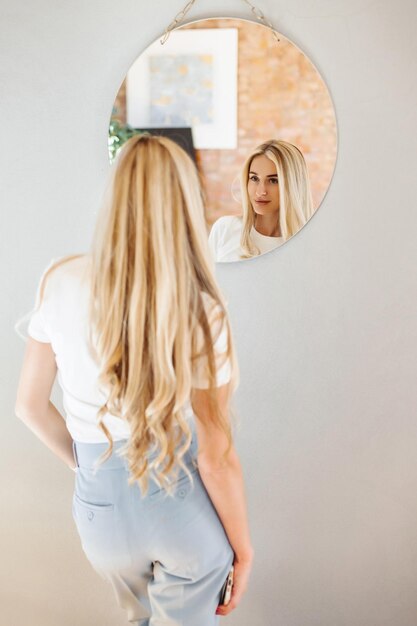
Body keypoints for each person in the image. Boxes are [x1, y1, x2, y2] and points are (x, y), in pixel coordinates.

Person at [15, 134, 254, 625]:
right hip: (177, 506)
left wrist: (89, 471)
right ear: (187, 201)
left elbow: (29, 407)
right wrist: (244, 549)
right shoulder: (203, 307)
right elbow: (216, 456)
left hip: (100, 517)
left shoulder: (60, 280)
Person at [208, 139, 314, 262]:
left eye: (273, 181)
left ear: (294, 185)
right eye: (254, 178)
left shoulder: (308, 246)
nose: (260, 191)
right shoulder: (225, 229)